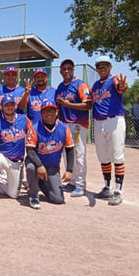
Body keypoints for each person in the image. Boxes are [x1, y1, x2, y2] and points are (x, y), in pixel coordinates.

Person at [0, 94, 34, 208]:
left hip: (17, 161)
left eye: (12, 105)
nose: (9, 107)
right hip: (2, 156)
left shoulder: (23, 119)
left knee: (14, 194)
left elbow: (32, 134)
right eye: (6, 105)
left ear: (15, 106)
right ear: (1, 107)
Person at [91, 55, 128, 206]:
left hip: (114, 120)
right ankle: (107, 187)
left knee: (117, 156)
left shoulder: (114, 80)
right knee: (104, 157)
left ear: (110, 67)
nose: (102, 69)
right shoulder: (94, 85)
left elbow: (121, 87)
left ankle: (118, 191)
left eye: (105, 65)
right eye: (99, 66)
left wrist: (122, 86)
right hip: (99, 123)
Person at [25, 100, 75, 209]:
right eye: (45, 111)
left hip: (53, 167)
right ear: (41, 113)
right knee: (30, 168)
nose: (49, 113)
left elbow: (70, 150)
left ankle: (41, 183)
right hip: (36, 163)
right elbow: (30, 150)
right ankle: (33, 194)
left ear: (56, 112)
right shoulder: (34, 128)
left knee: (58, 199)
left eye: (52, 110)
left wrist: (69, 170)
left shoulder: (64, 128)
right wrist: (39, 166)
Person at [55, 59, 92, 197]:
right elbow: (58, 107)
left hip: (78, 124)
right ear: (60, 71)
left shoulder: (80, 85)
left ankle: (81, 185)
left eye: (69, 68)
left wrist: (68, 104)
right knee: (68, 153)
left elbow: (88, 105)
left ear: (73, 69)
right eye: (64, 69)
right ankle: (73, 181)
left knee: (79, 153)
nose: (66, 71)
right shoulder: (60, 87)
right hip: (64, 125)